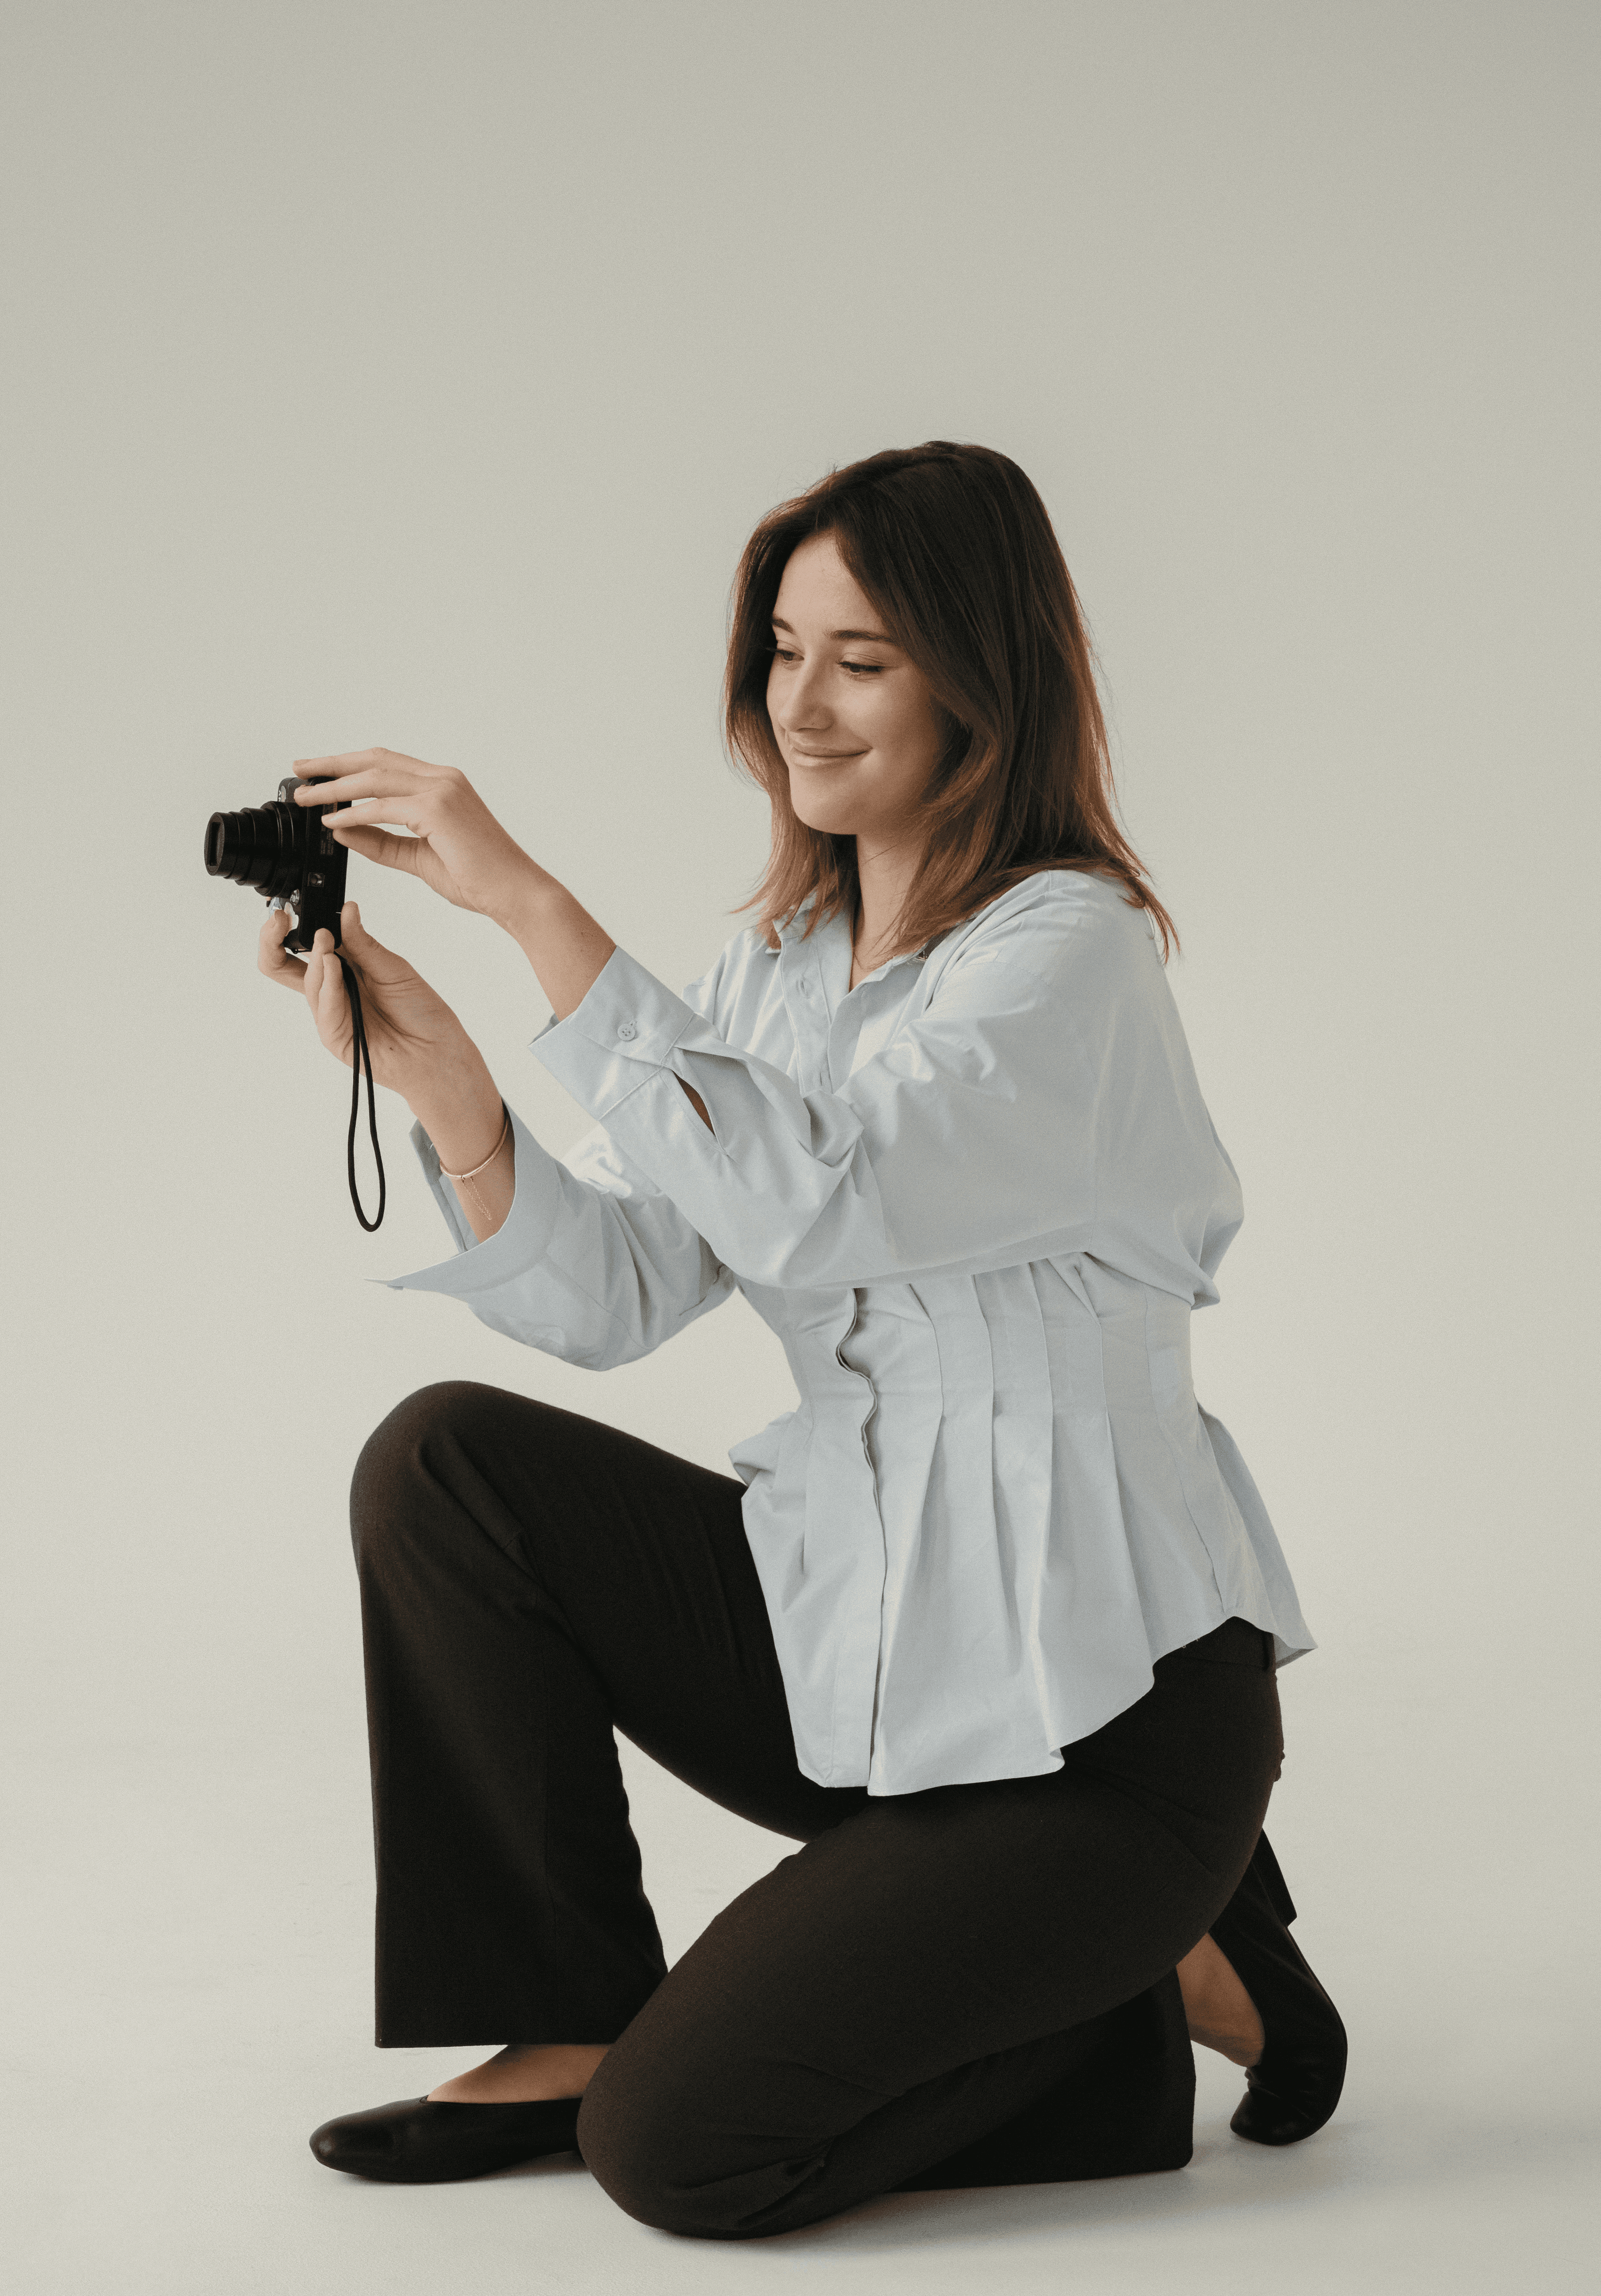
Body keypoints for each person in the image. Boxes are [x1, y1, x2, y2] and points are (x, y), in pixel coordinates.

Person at [255, 442, 1347, 2237]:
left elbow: (834, 1198)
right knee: (449, 1462)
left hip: (1103, 1738)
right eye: (782, 649)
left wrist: (529, 898)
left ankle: (1136, 1997)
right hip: (886, 1650)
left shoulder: (1067, 958)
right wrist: (446, 1075)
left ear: (985, 682)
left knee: (682, 2148)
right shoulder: (786, 961)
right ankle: (557, 2018)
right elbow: (620, 1294)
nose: (802, 707)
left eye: (864, 658)